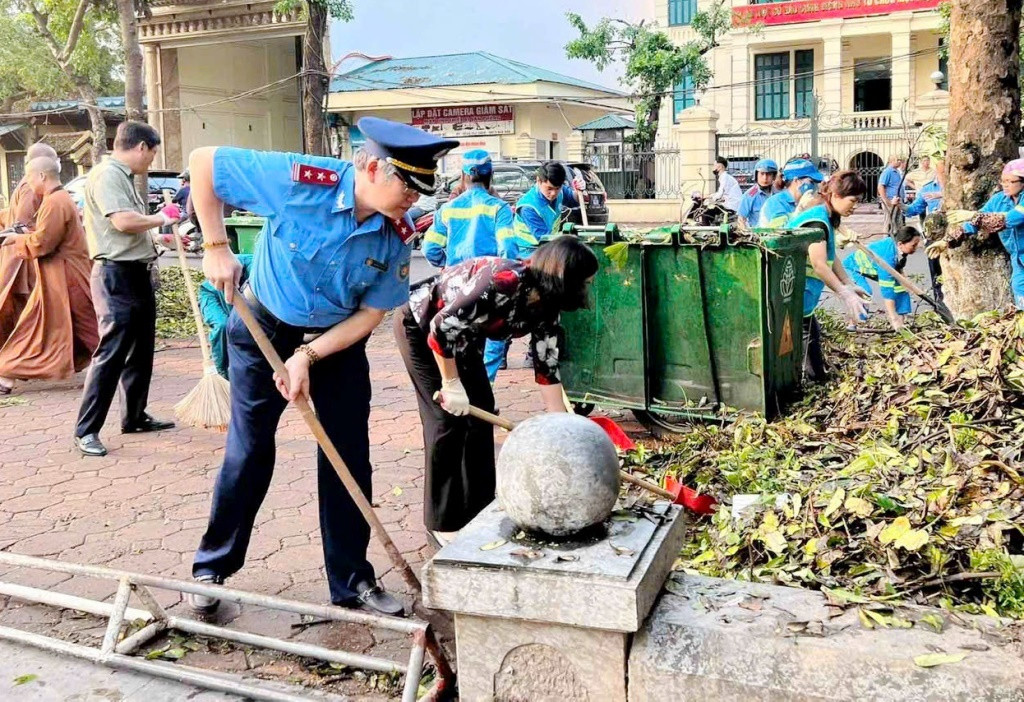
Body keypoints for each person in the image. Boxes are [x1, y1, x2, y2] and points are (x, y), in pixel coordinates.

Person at [188, 116, 457, 617]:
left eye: (422, 189)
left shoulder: (396, 234)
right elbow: (203, 163)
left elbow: (371, 314)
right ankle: (212, 568)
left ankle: (352, 580)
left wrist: (308, 355)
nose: (414, 200)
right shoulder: (297, 181)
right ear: (371, 167)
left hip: (333, 345)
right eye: (407, 185)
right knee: (249, 451)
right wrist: (216, 246)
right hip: (263, 327)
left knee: (348, 456)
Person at [393, 236, 599, 547]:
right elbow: (441, 328)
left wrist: (563, 428)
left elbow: (546, 367)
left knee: (482, 414)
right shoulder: (503, 281)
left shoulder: (547, 304)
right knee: (446, 421)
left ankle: (479, 508)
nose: (586, 289)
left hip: (462, 338)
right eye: (584, 282)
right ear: (565, 277)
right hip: (422, 327)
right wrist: (451, 384)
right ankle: (443, 523)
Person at [73, 122, 182, 458]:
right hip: (114, 276)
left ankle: (134, 416)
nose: (150, 161)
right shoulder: (108, 175)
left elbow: (130, 228)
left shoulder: (123, 177)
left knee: (141, 351)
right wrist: (161, 218)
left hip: (135, 273)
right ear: (140, 147)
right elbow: (122, 221)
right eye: (151, 154)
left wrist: (157, 236)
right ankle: (86, 430)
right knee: (111, 354)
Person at [0, 157, 99, 393]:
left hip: (67, 278)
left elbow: (43, 242)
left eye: (30, 177)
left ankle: (6, 373)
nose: (28, 183)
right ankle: (6, 374)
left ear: (42, 176)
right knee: (55, 327)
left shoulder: (55, 202)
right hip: (58, 278)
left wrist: (17, 239)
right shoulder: (57, 199)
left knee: (84, 326)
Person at [423, 150, 518, 382]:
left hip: (454, 286)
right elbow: (508, 251)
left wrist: (446, 265)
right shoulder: (499, 208)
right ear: (490, 176)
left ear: (463, 176)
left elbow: (430, 250)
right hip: (488, 286)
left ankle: (461, 387)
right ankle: (486, 390)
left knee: (456, 339)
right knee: (494, 339)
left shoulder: (447, 209)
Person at [788, 170, 870, 381]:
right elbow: (819, 264)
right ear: (835, 195)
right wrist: (844, 293)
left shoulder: (826, 216)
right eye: (853, 200)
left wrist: (848, 283)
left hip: (798, 295)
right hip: (790, 292)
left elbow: (831, 256)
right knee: (803, 337)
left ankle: (814, 378)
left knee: (809, 336)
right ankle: (813, 380)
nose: (855, 206)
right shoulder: (817, 220)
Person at [950, 159, 1024, 309]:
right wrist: (949, 239)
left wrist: (973, 215)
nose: (1005, 185)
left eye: (1010, 181)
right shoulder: (999, 199)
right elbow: (975, 223)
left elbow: (1008, 219)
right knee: (1020, 294)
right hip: (1019, 260)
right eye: (1003, 181)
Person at [842, 226, 921, 331]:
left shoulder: (897, 248)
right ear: (900, 244)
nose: (916, 248)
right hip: (852, 267)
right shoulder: (887, 256)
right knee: (864, 291)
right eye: (913, 245)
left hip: (873, 269)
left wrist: (908, 285)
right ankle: (853, 323)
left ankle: (901, 322)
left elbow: (899, 270)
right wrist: (892, 316)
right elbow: (887, 290)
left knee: (900, 288)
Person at [198, 253, 253, 379]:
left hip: (239, 292)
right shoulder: (255, 267)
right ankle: (222, 373)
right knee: (222, 326)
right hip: (213, 291)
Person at [513, 162, 583, 253]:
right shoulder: (528, 207)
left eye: (557, 188)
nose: (553, 193)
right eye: (549, 188)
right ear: (539, 181)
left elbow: (575, 200)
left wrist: (579, 191)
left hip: (548, 246)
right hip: (528, 252)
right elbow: (545, 239)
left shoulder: (560, 191)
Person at [906, 159, 946, 300]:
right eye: (941, 170)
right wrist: (900, 205)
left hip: (953, 234)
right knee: (935, 269)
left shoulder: (958, 186)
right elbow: (914, 209)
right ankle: (938, 298)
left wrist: (943, 195)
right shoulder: (928, 188)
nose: (943, 173)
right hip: (933, 235)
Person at [758, 159, 824, 228]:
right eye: (811, 182)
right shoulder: (775, 202)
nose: (815, 186)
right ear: (796, 181)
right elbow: (779, 232)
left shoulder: (804, 202)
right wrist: (800, 209)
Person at [737, 159, 778, 228]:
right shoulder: (749, 196)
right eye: (762, 174)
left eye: (768, 174)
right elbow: (741, 220)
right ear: (756, 175)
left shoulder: (779, 194)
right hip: (758, 235)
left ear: (773, 176)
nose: (765, 178)